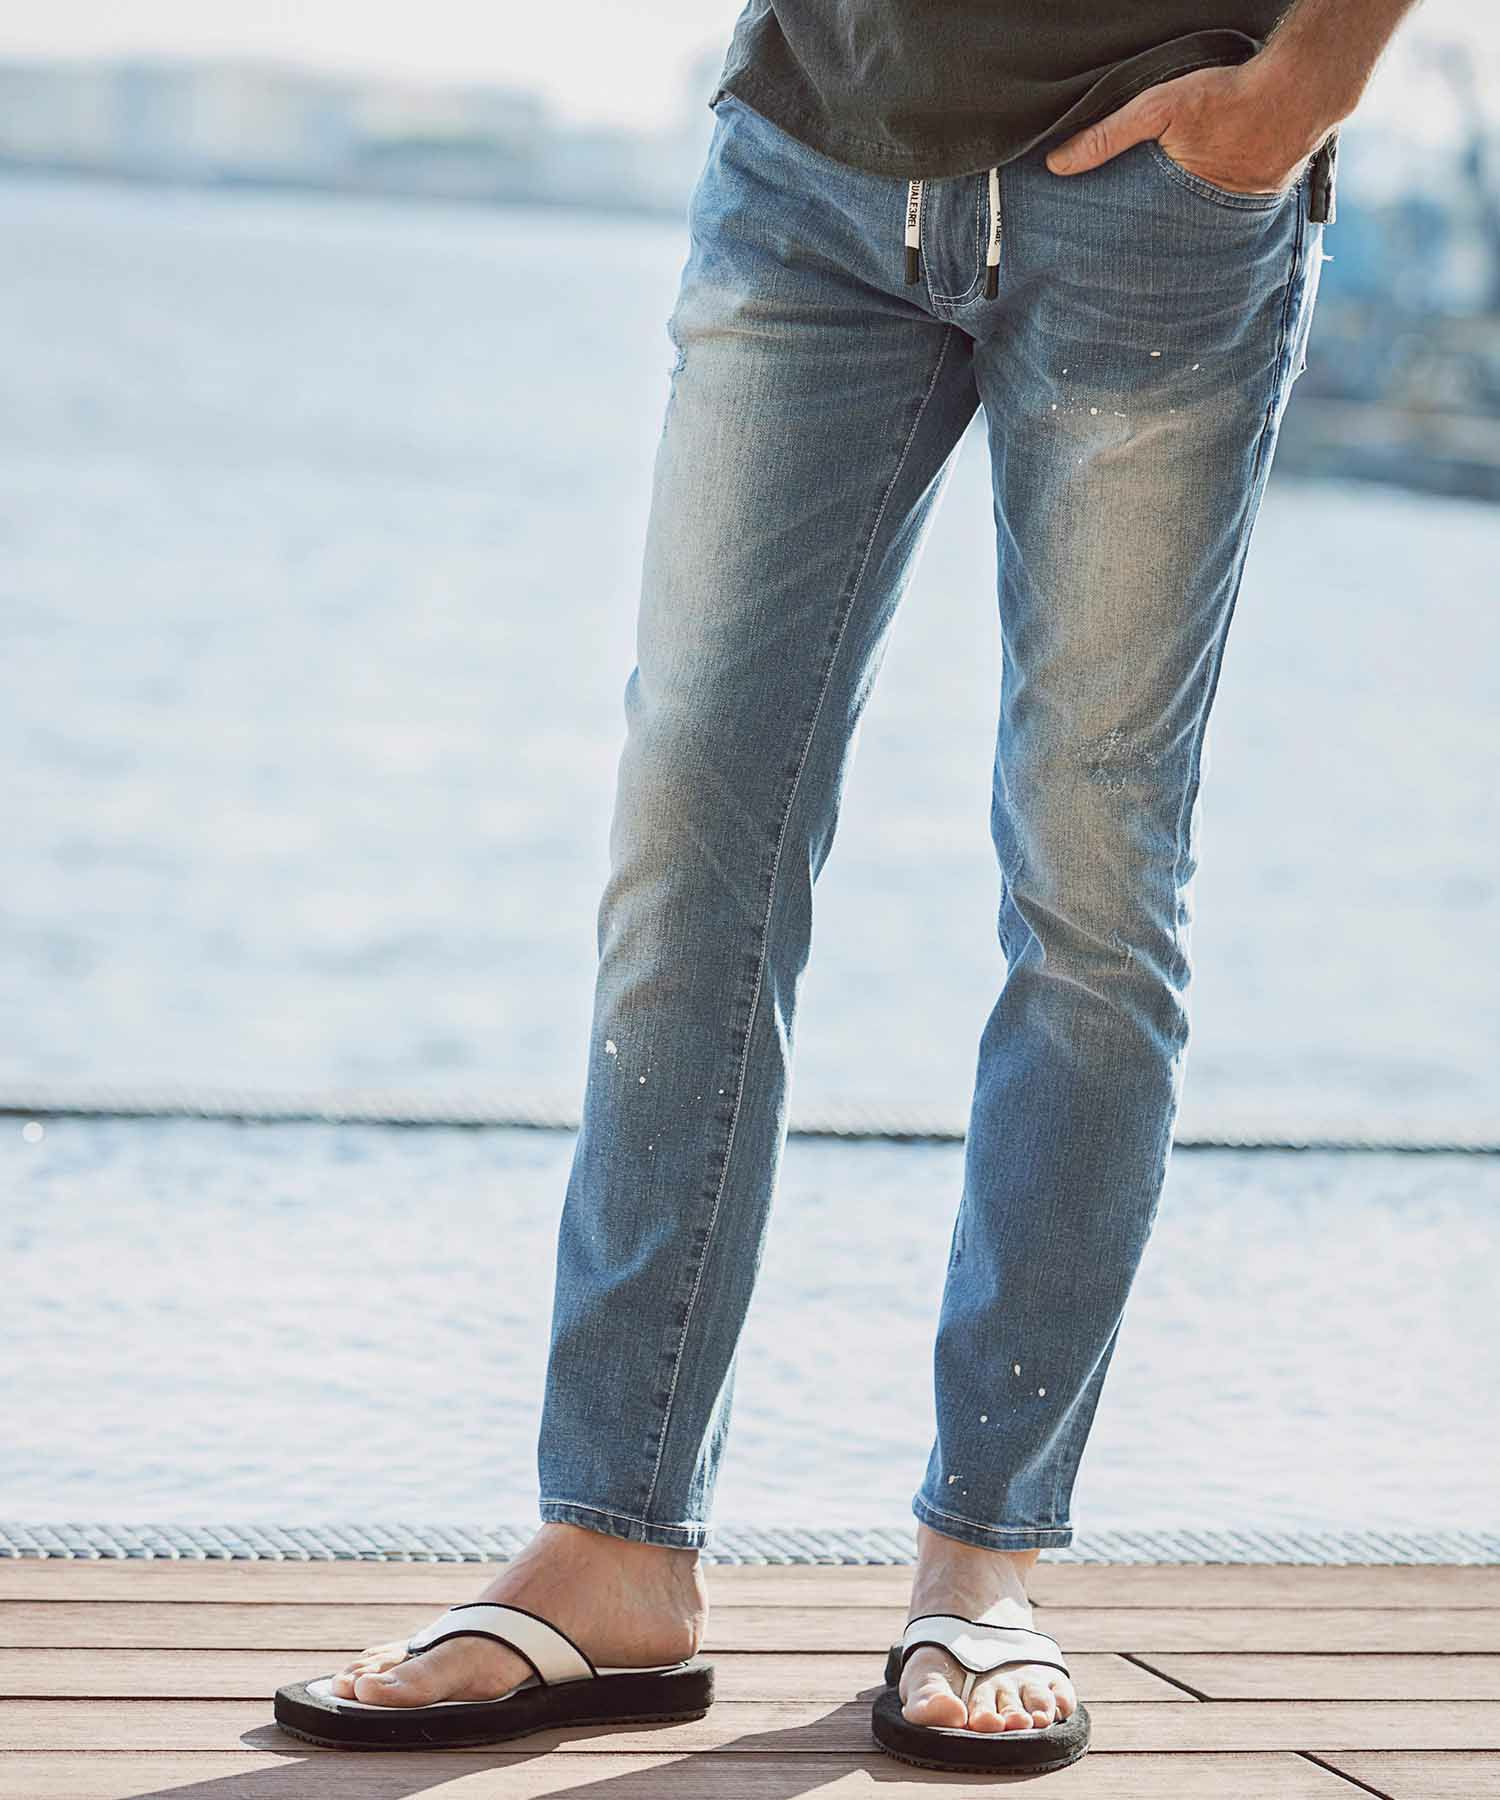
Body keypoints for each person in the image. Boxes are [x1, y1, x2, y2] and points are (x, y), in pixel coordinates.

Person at [277, 0, 1420, 1775]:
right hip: (813, 149)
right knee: (686, 841)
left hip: (1157, 180)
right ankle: (613, 1545)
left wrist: (1306, 87)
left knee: (1092, 879)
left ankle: (985, 1560)